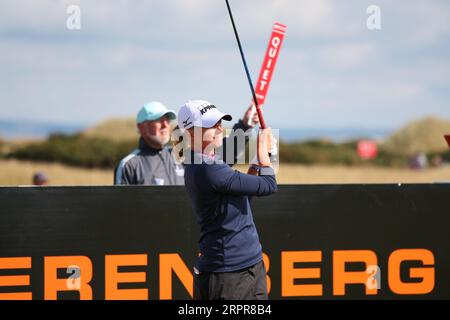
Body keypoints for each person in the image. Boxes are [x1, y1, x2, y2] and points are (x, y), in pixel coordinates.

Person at [178, 100, 277, 300]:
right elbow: (268, 185)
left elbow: (242, 195)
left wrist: (246, 125)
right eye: (211, 125)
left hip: (249, 265)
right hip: (227, 275)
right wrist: (264, 154)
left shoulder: (206, 160)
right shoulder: (207, 168)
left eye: (219, 123)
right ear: (191, 132)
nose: (219, 129)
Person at [114, 101, 259, 185]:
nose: (165, 125)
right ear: (141, 127)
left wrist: (245, 126)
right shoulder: (129, 165)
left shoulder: (180, 154)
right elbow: (121, 211)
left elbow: (225, 155)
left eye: (167, 120)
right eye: (157, 120)